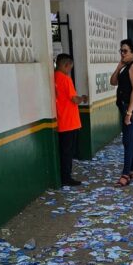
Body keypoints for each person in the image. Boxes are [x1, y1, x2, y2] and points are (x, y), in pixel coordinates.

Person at [110, 39, 133, 187]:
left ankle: (126, 174)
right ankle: (132, 170)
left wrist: (129, 113)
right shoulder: (126, 66)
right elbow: (113, 82)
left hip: (131, 107)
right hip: (126, 107)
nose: (122, 54)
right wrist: (118, 67)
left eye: (125, 51)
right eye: (121, 51)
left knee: (127, 140)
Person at [54, 53, 88, 186]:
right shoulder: (65, 79)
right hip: (70, 122)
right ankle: (66, 177)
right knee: (68, 152)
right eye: (70, 68)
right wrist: (83, 98)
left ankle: (64, 176)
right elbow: (74, 99)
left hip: (61, 120)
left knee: (64, 151)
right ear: (66, 65)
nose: (70, 71)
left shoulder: (53, 77)